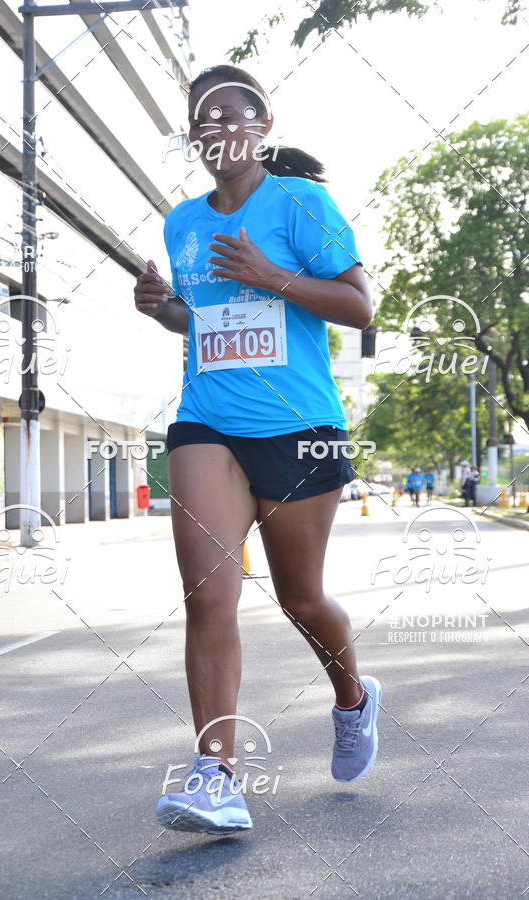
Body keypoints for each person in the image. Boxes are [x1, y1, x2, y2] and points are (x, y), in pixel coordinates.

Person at [134, 64, 381, 835]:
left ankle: (354, 698)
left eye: (228, 116)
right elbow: (201, 318)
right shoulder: (182, 223)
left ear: (261, 127)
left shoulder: (302, 204)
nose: (214, 132)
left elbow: (361, 303)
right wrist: (164, 310)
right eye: (199, 123)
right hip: (207, 421)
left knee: (301, 599)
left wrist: (271, 274)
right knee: (210, 594)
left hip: (299, 427)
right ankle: (215, 775)